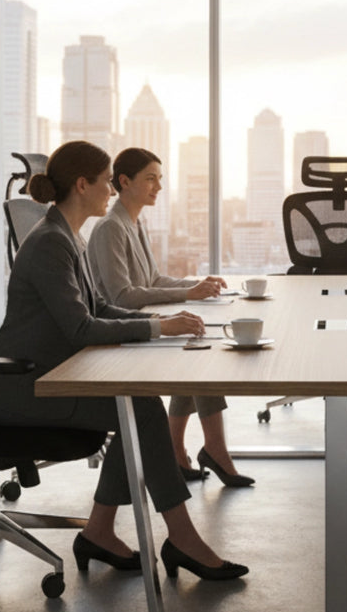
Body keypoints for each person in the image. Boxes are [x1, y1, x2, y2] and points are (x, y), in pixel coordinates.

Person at [0, 140, 248, 582]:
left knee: (137, 404)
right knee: (140, 407)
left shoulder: (68, 235)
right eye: (106, 182)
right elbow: (81, 329)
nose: (110, 190)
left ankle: (101, 530)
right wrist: (158, 328)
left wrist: (166, 322)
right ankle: (179, 537)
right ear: (82, 185)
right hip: (22, 389)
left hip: (49, 375)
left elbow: (100, 307)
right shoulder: (51, 243)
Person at [87, 147, 253, 489]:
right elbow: (123, 296)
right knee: (199, 350)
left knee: (198, 340)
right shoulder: (109, 229)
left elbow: (153, 281)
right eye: (150, 179)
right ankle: (210, 449)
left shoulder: (133, 222)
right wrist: (186, 295)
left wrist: (195, 285)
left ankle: (186, 450)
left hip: (141, 316)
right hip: (120, 329)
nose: (158, 187)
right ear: (124, 181)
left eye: (160, 179)